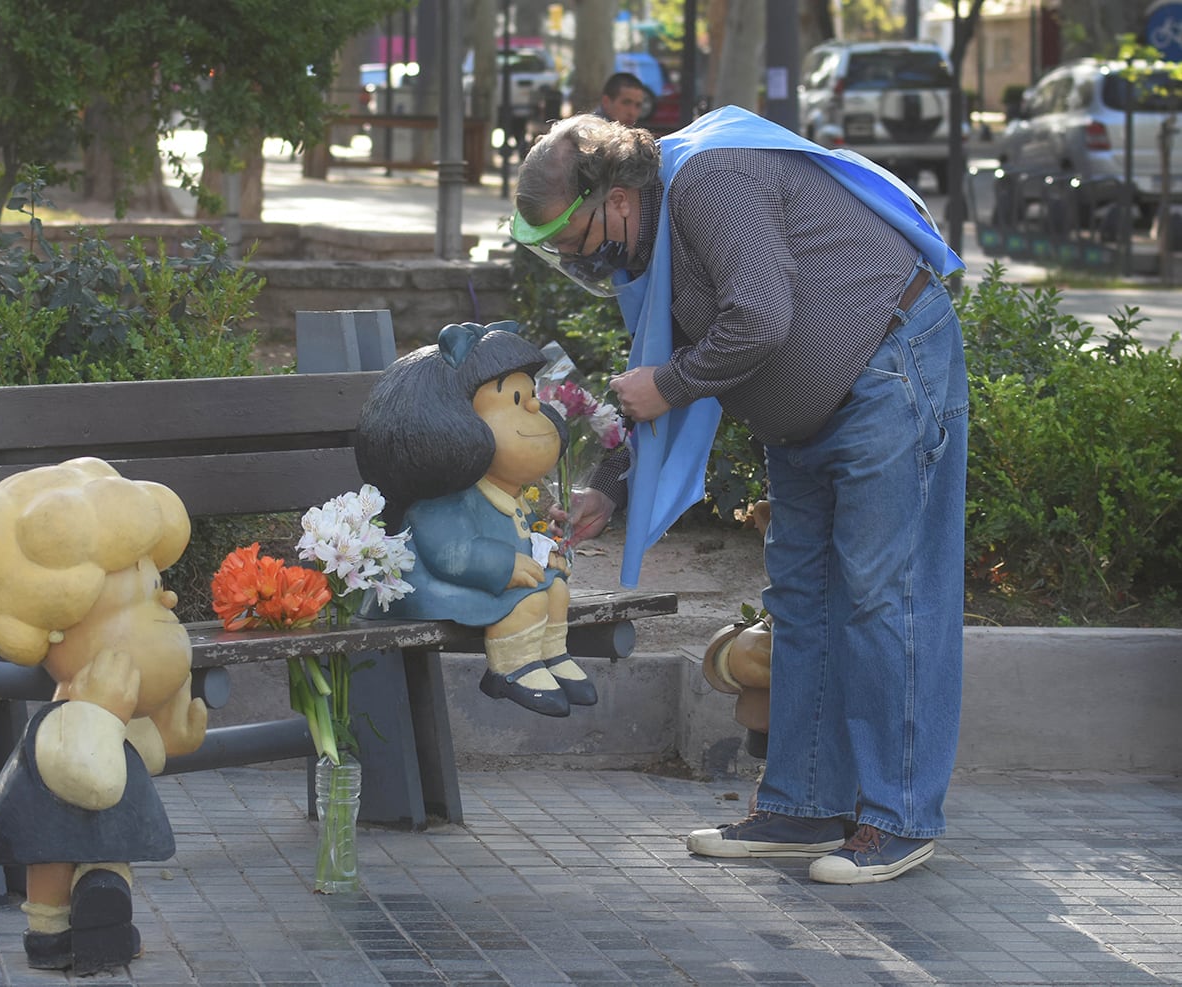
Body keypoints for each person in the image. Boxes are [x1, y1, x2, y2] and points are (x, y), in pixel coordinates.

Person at [509, 107, 968, 885]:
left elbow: (757, 316)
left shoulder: (711, 182)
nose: (575, 261)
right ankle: (804, 805)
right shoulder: (654, 229)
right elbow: (670, 357)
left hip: (887, 374)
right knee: (804, 597)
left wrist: (669, 386)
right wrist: (606, 490)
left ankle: (901, 819)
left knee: (880, 599)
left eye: (571, 241)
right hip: (810, 418)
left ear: (615, 199)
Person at [0, 457, 208, 972]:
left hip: (107, 767)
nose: (168, 597)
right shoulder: (66, 718)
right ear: (57, 626)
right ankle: (50, 930)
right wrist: (101, 714)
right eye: (140, 592)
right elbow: (89, 777)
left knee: (109, 850)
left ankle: (106, 911)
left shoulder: (105, 708)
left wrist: (163, 738)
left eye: (155, 581)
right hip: (55, 799)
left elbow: (125, 759)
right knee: (53, 852)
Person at [355, 322, 593, 718]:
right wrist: (503, 564)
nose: (535, 407)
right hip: (426, 589)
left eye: (531, 395)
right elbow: (452, 554)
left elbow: (524, 534)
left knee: (556, 591)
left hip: (488, 581)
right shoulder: (442, 501)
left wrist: (546, 550)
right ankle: (513, 668)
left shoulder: (503, 491)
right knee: (527, 603)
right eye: (517, 399)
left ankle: (553, 655)